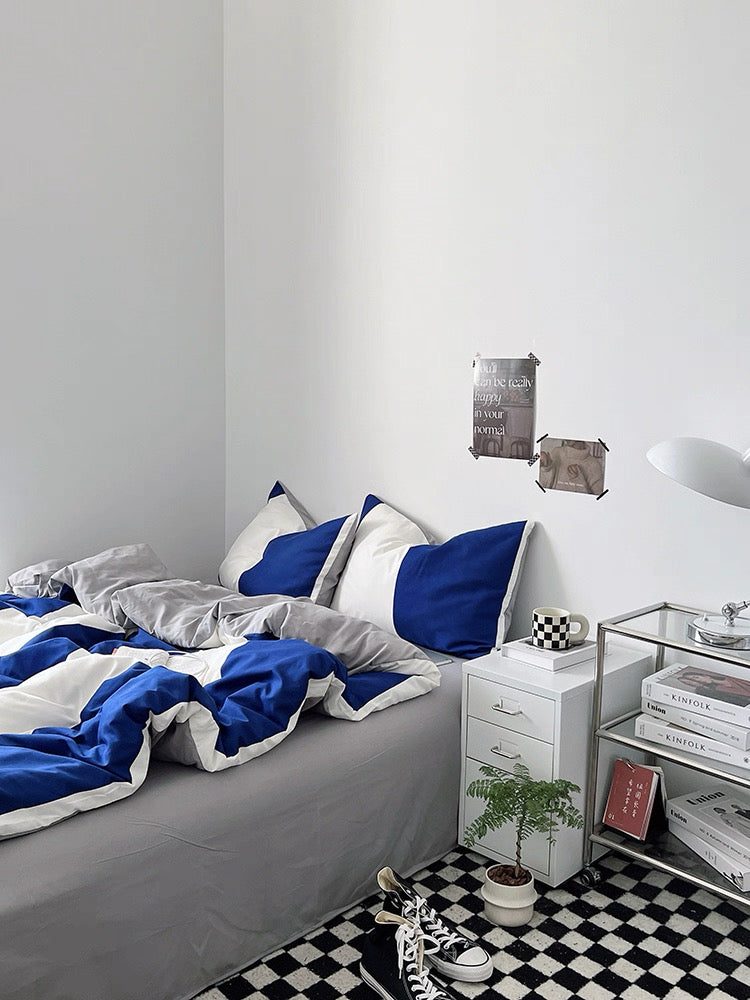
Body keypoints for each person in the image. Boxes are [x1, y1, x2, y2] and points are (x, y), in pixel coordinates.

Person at [539, 440, 604, 495]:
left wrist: (578, 479)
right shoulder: (557, 452)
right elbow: (541, 487)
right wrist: (546, 467)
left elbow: (598, 501)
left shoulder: (594, 464)